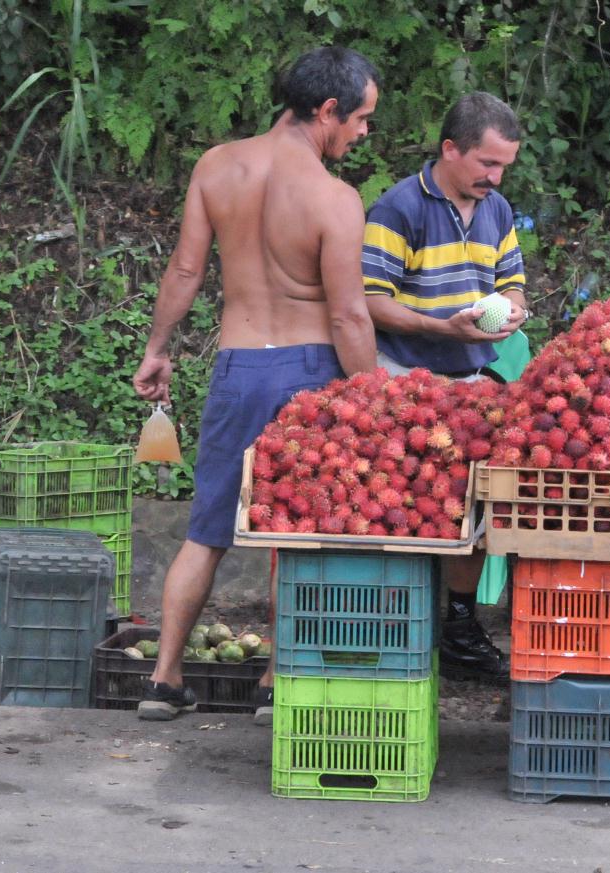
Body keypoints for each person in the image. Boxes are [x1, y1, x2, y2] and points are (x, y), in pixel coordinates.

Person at [131, 46, 380, 723]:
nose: (363, 134)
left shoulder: (218, 165)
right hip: (309, 374)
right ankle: (274, 681)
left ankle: (163, 678)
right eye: (360, 119)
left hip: (238, 367)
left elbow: (184, 272)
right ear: (327, 110)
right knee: (295, 531)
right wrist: (375, 396)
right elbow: (350, 313)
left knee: (207, 527)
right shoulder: (334, 198)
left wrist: (158, 350)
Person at [361, 91, 528, 683]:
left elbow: (513, 283)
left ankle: (459, 624)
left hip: (474, 381)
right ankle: (397, 625)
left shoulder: (498, 210)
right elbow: (370, 302)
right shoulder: (397, 209)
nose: (495, 175)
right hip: (405, 380)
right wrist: (440, 326)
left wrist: (511, 311)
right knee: (407, 503)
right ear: (450, 149)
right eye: (486, 162)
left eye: (504, 165)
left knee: (478, 502)